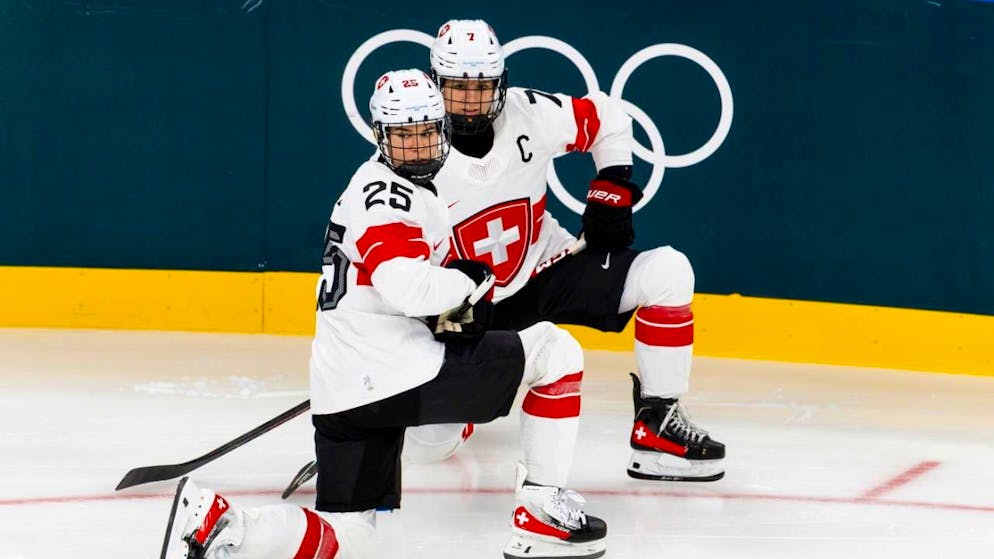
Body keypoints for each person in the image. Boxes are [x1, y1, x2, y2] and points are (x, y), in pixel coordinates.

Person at [159, 69, 606, 559]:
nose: (416, 147)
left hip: (342, 392)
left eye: (425, 133)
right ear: (380, 136)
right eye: (403, 135)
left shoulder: (395, 188)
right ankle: (541, 514)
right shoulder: (387, 193)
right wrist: (472, 283)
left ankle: (224, 524)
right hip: (394, 373)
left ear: (443, 131)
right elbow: (407, 287)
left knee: (349, 536)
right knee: (554, 350)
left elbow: (395, 293)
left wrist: (453, 307)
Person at [405, 19, 726, 482]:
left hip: (547, 269)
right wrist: (429, 313)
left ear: (502, 82)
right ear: (435, 82)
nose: (471, 100)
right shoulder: (410, 154)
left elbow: (610, 119)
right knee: (426, 449)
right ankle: (474, 398)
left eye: (482, 86)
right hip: (470, 309)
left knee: (669, 271)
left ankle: (658, 426)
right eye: (457, 87)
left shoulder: (529, 113)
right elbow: (392, 263)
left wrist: (611, 186)